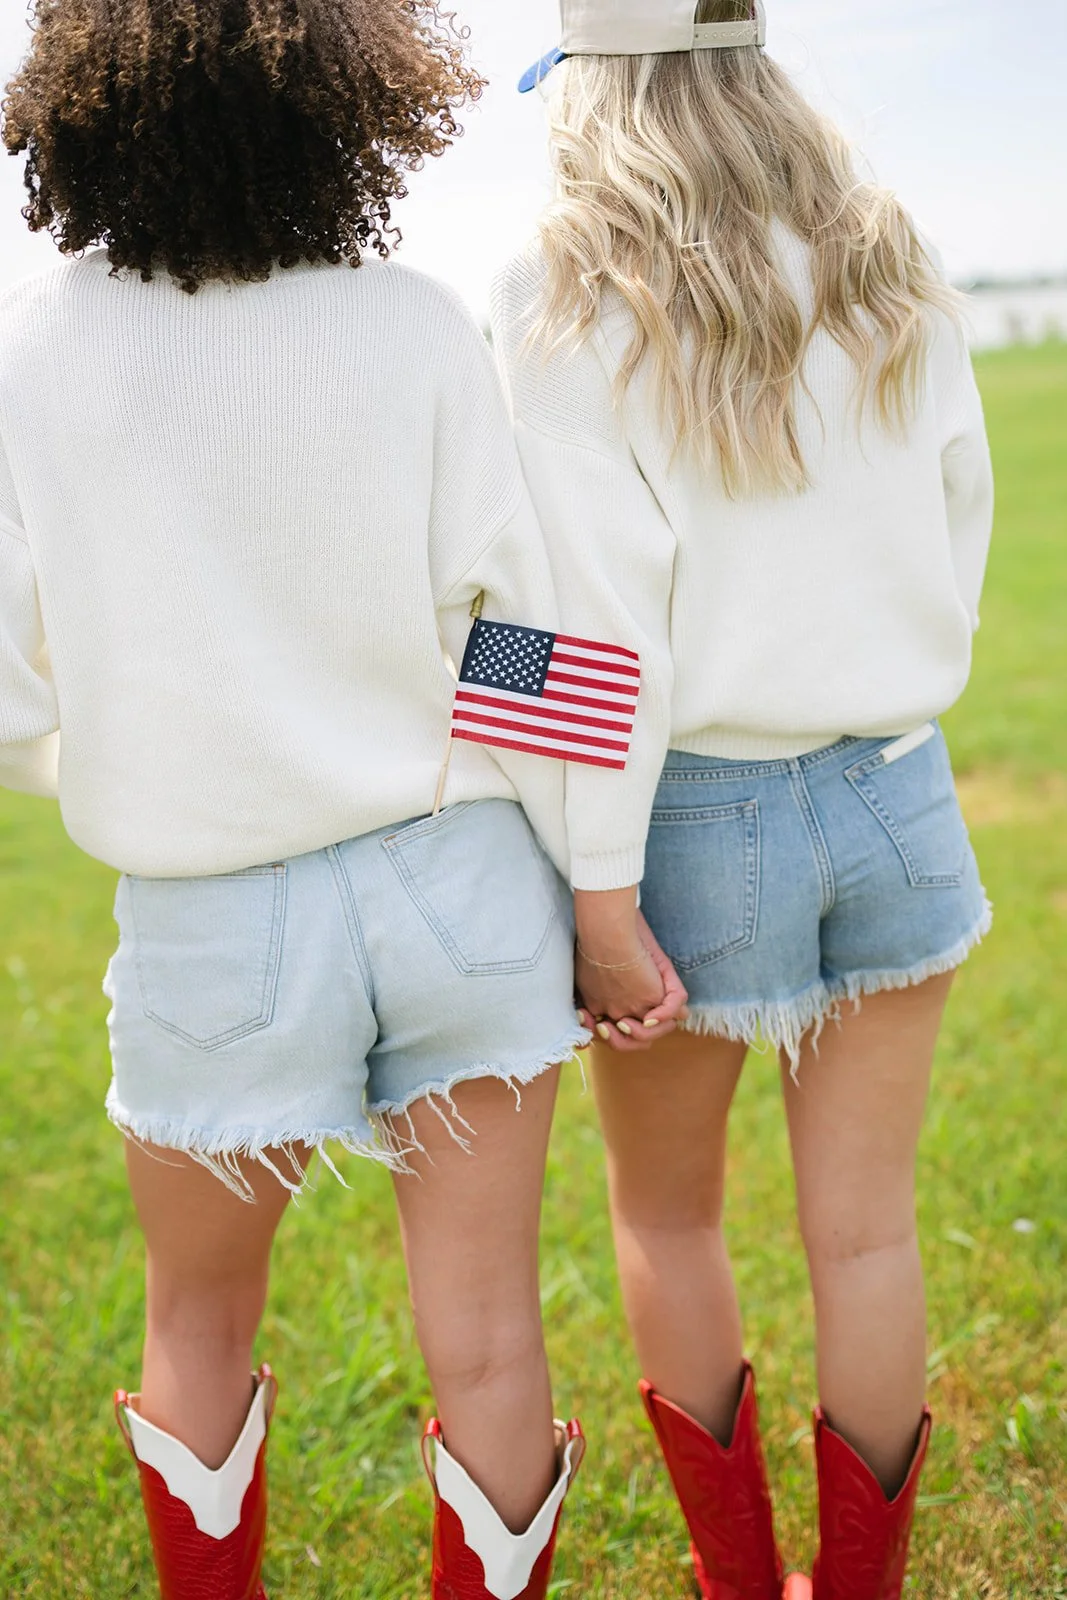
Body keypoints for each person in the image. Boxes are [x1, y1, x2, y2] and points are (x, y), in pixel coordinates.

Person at [0, 2, 662, 1593]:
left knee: (197, 1321)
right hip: (464, 884)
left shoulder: (33, 353)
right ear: (346, 98)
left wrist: (154, 761)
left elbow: (18, 702)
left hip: (214, 916)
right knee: (492, 1338)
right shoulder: (418, 321)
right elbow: (522, 640)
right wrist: (596, 888)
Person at [493, 3, 995, 1596]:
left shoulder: (565, 289)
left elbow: (583, 629)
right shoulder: (883, 244)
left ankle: (741, 1584)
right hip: (902, 783)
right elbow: (959, 509)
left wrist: (594, 888)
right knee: (867, 1233)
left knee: (672, 1220)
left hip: (688, 814)